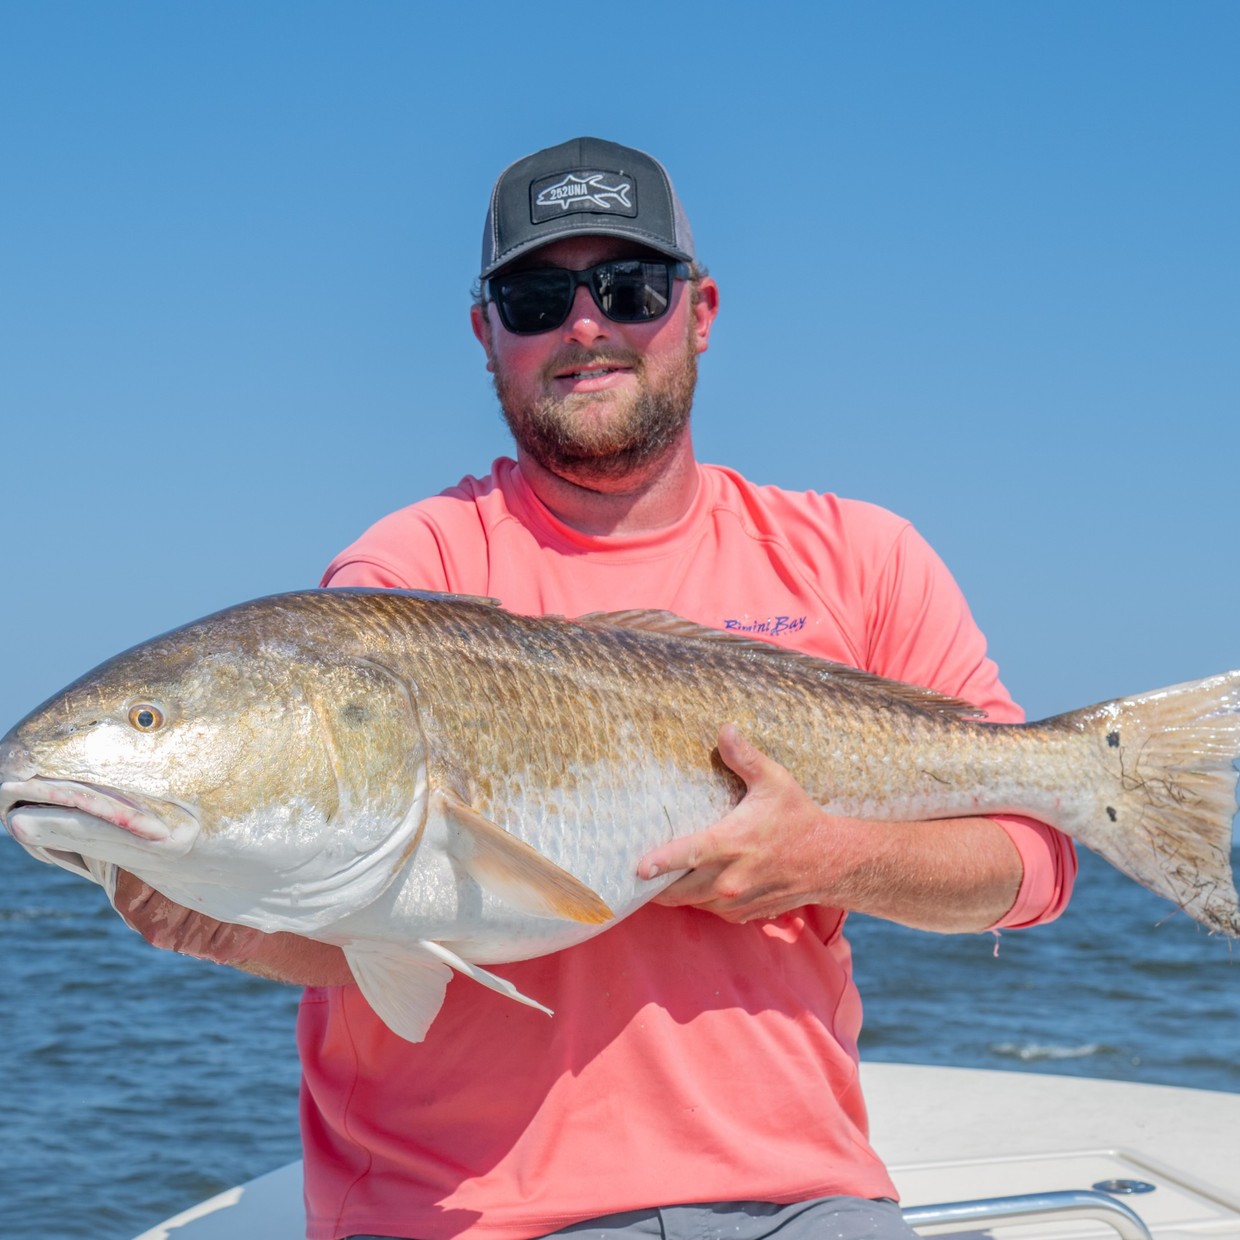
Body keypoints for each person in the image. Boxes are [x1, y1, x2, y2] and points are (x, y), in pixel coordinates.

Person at [116, 137, 1076, 1240]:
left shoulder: (862, 556)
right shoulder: (405, 576)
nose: (584, 326)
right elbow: (381, 937)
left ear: (699, 309)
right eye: (535, 296)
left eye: (628, 287)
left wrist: (832, 857)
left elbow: (1035, 862)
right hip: (464, 1213)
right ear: (486, 333)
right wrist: (226, 919)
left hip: (801, 1198)